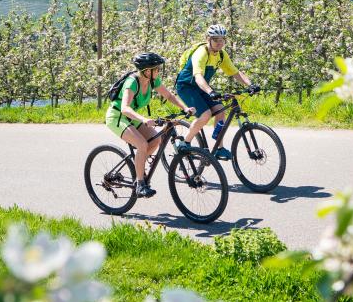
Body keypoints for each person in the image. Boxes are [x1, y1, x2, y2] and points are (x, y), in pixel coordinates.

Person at [105, 52, 195, 198]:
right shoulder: (132, 83)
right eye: (157, 68)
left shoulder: (153, 81)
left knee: (155, 140)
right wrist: (144, 119)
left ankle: (137, 166)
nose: (159, 71)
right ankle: (140, 183)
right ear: (147, 71)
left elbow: (169, 96)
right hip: (117, 117)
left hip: (132, 117)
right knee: (142, 144)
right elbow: (125, 108)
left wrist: (184, 108)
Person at [174, 24, 255, 160]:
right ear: (208, 39)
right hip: (186, 86)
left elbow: (235, 72)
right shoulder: (201, 52)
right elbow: (198, 76)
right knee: (205, 115)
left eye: (222, 39)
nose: (219, 42)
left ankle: (219, 148)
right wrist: (211, 91)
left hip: (201, 87)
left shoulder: (221, 55)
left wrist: (251, 84)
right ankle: (184, 143)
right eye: (216, 39)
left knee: (220, 110)